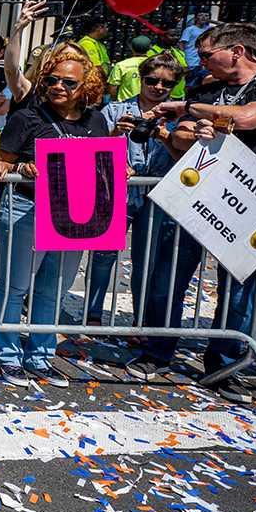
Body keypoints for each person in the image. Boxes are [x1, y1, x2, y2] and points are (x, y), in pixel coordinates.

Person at [136, 22, 256, 403]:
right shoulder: (206, 89)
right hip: (197, 192)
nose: (201, 63)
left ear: (237, 51)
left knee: (240, 291)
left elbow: (248, 118)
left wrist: (194, 109)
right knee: (169, 275)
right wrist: (193, 128)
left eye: (207, 55)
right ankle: (156, 352)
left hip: (252, 200)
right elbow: (179, 139)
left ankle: (224, 367)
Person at [0, 45, 107, 388]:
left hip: (74, 215)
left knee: (54, 289)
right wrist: (22, 168)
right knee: (15, 286)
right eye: (53, 80)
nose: (59, 87)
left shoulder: (96, 120)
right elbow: (1, 163)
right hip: (27, 208)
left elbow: (100, 162)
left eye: (69, 83)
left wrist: (120, 170)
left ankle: (40, 358)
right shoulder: (26, 118)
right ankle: (8, 357)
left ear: (85, 86)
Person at [92, 52, 183, 325]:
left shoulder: (180, 118)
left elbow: (184, 155)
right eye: (152, 80)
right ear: (141, 79)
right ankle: (93, 314)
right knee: (104, 255)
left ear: (175, 86)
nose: (158, 87)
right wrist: (114, 134)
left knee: (148, 262)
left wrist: (165, 133)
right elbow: (95, 151)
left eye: (166, 84)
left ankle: (141, 319)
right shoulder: (114, 110)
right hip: (119, 191)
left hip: (158, 194)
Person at [106, 35, 153, 102]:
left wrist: (114, 97)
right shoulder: (154, 64)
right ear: (150, 48)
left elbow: (113, 86)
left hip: (125, 104)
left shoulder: (122, 65)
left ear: (131, 48)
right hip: (146, 103)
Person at [181, 11, 214, 82]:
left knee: (199, 83)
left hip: (202, 62)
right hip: (190, 60)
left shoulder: (209, 29)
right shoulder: (190, 29)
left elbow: (226, 25)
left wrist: (211, 20)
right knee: (188, 83)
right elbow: (181, 44)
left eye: (206, 15)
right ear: (195, 18)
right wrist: (184, 59)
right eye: (201, 15)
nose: (203, 17)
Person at [76, 18, 112, 82]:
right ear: (99, 28)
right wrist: (106, 79)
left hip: (100, 80)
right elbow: (96, 66)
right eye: (106, 27)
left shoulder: (99, 44)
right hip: (92, 80)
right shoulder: (87, 43)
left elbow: (107, 63)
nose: (107, 30)